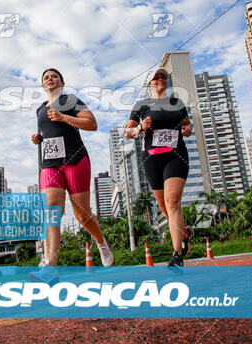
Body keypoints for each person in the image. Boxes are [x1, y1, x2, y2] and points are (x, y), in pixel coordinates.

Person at [30, 68, 113, 283]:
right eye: (45, 77)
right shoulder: (40, 109)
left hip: (75, 159)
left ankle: (101, 243)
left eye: (54, 76)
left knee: (83, 216)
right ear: (42, 85)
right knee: (51, 211)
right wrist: (39, 138)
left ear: (62, 82)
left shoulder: (70, 100)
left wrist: (63, 117)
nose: (50, 79)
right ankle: (51, 266)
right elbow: (51, 132)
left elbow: (91, 124)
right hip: (50, 163)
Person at [126, 67, 193, 267]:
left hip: (175, 156)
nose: (161, 79)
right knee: (165, 208)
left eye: (164, 77)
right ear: (150, 84)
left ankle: (177, 255)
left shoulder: (177, 103)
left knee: (172, 203)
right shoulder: (141, 105)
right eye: (157, 77)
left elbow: (187, 125)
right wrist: (140, 128)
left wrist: (187, 129)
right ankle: (186, 233)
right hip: (151, 159)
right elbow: (128, 132)